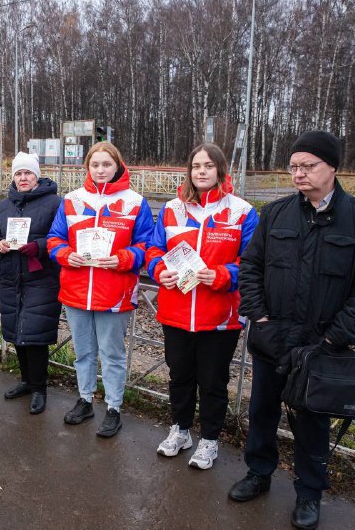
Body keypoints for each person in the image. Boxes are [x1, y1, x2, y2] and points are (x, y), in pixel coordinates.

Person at [228, 131, 355, 529]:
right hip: (273, 338)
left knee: (313, 420)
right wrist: (260, 317)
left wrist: (335, 339)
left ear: (332, 167)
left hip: (321, 345)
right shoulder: (278, 213)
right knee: (261, 411)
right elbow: (250, 269)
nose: (298, 174)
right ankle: (258, 473)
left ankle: (309, 494)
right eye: (294, 166)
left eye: (307, 166)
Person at [146, 143, 258, 469]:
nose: (202, 171)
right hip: (175, 311)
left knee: (212, 382)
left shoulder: (242, 211)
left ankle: (209, 440)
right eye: (196, 166)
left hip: (219, 317)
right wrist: (159, 271)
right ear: (189, 171)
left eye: (208, 166)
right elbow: (154, 249)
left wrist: (222, 274)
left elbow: (252, 264)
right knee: (179, 376)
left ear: (220, 170)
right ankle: (180, 431)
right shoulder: (172, 209)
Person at [47, 141, 154, 437]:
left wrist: (121, 259)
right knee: (83, 351)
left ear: (118, 166)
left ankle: (114, 407)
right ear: (87, 168)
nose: (101, 170)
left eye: (106, 165)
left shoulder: (135, 202)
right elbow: (55, 239)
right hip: (77, 290)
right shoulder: (72, 200)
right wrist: (67, 255)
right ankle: (85, 399)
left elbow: (146, 246)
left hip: (114, 292)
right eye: (95, 165)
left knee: (112, 354)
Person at [0, 152, 62, 414]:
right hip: (11, 276)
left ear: (37, 175)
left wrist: (38, 246)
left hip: (41, 277)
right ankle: (26, 381)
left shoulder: (54, 203)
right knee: (17, 331)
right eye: (18, 173)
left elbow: (61, 237)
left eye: (28, 173)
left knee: (35, 334)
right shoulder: (4, 205)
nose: (23, 178)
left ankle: (40, 388)